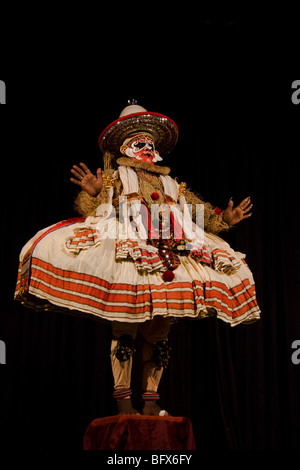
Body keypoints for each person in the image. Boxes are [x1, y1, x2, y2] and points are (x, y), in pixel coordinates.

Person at [15, 101, 261, 416]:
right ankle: (123, 402)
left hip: (168, 257)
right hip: (132, 258)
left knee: (159, 332)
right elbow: (96, 208)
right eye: (138, 143)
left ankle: (151, 401)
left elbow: (200, 216)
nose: (145, 147)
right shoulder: (118, 178)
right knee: (126, 329)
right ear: (126, 149)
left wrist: (225, 217)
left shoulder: (173, 185)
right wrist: (93, 192)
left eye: (149, 143)